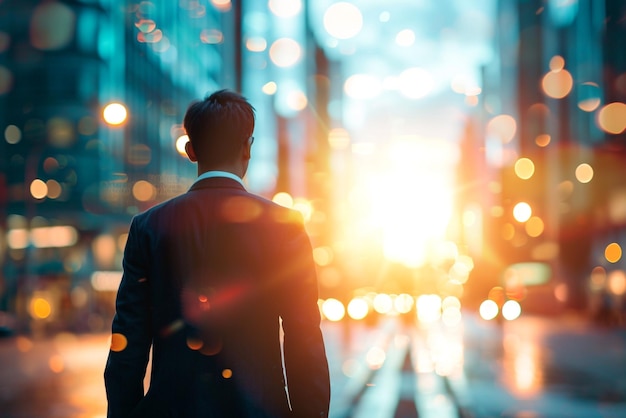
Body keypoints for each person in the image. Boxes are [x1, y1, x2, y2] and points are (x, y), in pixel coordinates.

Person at [104, 89, 331, 418]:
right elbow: (303, 335)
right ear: (247, 147)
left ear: (191, 150)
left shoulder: (148, 226)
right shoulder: (285, 226)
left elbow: (128, 341)